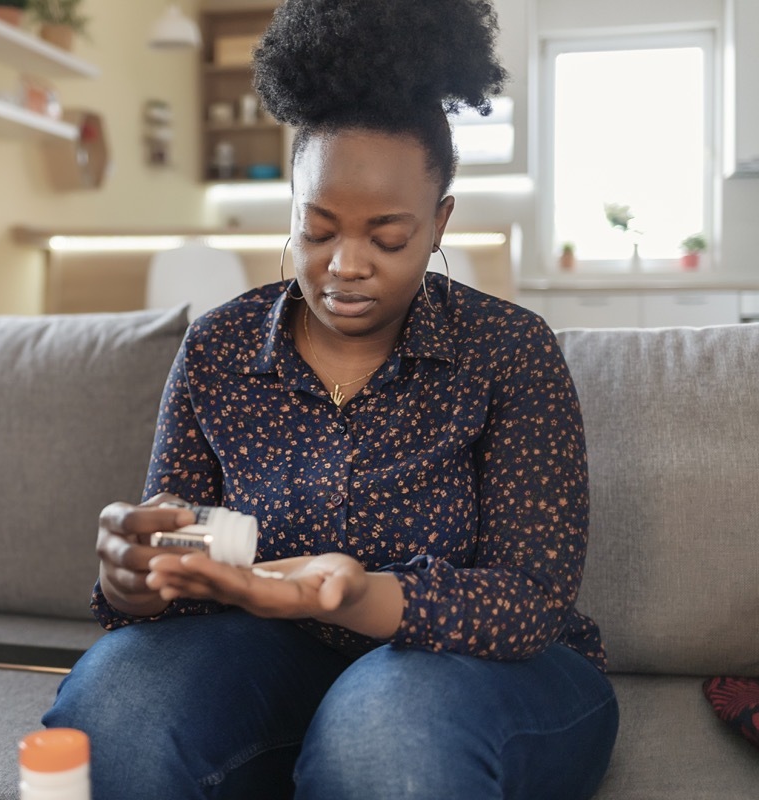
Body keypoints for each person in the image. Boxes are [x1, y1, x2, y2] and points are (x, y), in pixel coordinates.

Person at [43, 0, 619, 797]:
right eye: (317, 230)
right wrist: (134, 575)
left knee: (384, 737)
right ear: (291, 202)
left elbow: (531, 603)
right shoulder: (219, 349)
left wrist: (361, 592)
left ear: (439, 220)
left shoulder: (507, 352)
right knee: (120, 707)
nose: (346, 264)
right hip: (273, 658)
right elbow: (179, 563)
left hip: (479, 672)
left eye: (387, 237)